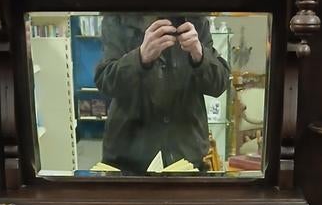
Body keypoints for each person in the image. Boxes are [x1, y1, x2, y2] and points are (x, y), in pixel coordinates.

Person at [94, 14, 231, 174]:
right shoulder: (118, 19)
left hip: (186, 157)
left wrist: (199, 54)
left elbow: (219, 84)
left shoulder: (195, 20)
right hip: (129, 159)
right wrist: (140, 57)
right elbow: (106, 82)